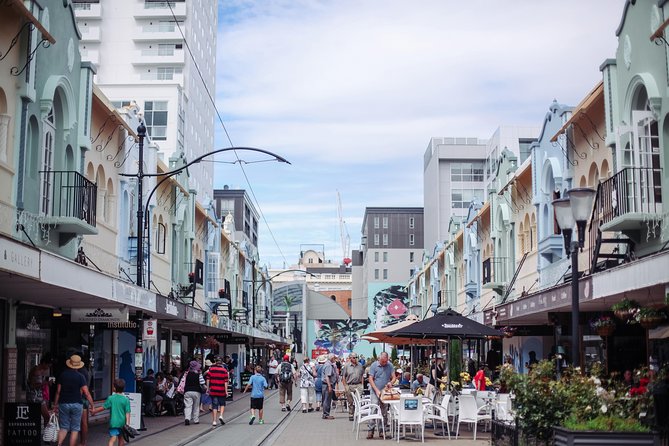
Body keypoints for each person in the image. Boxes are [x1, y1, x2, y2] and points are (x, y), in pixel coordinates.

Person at [53, 354, 95, 446]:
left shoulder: (62, 375)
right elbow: (86, 393)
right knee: (75, 429)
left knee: (63, 427)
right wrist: (92, 405)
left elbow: (58, 391)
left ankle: (59, 444)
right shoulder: (81, 377)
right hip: (77, 404)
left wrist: (55, 405)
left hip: (63, 403)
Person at [91, 379, 130, 446]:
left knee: (112, 439)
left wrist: (94, 411)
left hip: (113, 422)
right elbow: (127, 413)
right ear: (124, 388)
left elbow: (103, 407)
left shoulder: (111, 398)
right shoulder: (126, 400)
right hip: (122, 423)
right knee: (121, 438)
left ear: (114, 388)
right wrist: (127, 424)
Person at [366, 351, 394, 439]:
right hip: (375, 391)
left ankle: (383, 431)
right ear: (379, 359)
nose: (384, 363)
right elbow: (370, 379)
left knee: (384, 412)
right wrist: (376, 390)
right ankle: (371, 431)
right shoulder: (374, 365)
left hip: (385, 391)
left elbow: (394, 377)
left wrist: (391, 382)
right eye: (382, 361)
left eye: (385, 361)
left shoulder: (390, 365)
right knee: (373, 409)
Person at [27, 354, 52, 428]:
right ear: (44, 363)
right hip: (35, 397)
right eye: (48, 365)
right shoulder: (37, 371)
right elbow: (34, 385)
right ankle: (45, 434)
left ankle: (43, 433)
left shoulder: (37, 369)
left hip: (36, 396)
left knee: (37, 417)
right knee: (46, 416)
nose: (48, 368)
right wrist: (46, 383)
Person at [206, 356, 229, 428]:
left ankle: (214, 421)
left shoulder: (211, 370)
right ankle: (221, 416)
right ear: (221, 363)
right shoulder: (224, 371)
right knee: (222, 404)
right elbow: (226, 382)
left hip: (213, 390)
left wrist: (207, 388)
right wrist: (226, 391)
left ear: (215, 362)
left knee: (214, 406)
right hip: (221, 390)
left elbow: (208, 379)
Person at [182, 360, 206, 425]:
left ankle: (187, 418)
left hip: (187, 391)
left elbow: (182, 382)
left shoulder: (186, 374)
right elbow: (202, 383)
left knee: (187, 406)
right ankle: (196, 420)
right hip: (196, 391)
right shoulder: (199, 375)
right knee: (196, 406)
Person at [342, 353, 364, 421]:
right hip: (350, 385)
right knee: (350, 401)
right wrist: (345, 386)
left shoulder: (360, 365)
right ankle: (351, 413)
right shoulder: (346, 366)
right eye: (354, 357)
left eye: (356, 357)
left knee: (357, 400)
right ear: (350, 358)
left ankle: (357, 413)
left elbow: (362, 375)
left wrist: (362, 384)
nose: (355, 359)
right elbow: (343, 376)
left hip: (358, 385)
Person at [321, 353, 338, 420]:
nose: (335, 359)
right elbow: (327, 376)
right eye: (334, 358)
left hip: (326, 385)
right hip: (327, 385)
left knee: (326, 399)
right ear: (332, 358)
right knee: (327, 400)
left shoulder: (328, 364)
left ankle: (325, 414)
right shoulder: (328, 365)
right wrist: (329, 386)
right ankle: (326, 414)